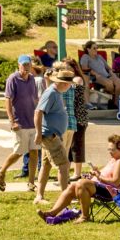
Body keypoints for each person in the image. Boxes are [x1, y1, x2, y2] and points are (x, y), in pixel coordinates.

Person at [40, 134, 120, 224]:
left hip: (112, 192)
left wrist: (98, 177)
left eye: (112, 149)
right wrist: (95, 175)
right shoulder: (114, 159)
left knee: (81, 183)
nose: (109, 152)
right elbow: (105, 176)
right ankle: (52, 213)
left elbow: (115, 182)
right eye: (109, 149)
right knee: (73, 186)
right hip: (104, 187)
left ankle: (85, 216)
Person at [0, 55, 40, 192]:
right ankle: (2, 171)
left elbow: (35, 98)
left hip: (32, 121)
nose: (26, 67)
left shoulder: (32, 79)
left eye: (28, 65)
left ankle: (31, 183)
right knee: (19, 152)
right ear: (19, 65)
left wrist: (40, 115)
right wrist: (12, 121)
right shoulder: (13, 79)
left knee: (34, 152)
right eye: (24, 65)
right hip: (19, 122)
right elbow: (8, 100)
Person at [34, 68, 75, 203]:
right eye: (69, 84)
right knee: (64, 165)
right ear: (64, 84)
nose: (70, 87)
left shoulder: (56, 92)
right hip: (49, 135)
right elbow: (38, 112)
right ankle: (65, 196)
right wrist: (39, 133)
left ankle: (39, 196)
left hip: (53, 135)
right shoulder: (51, 93)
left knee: (46, 166)